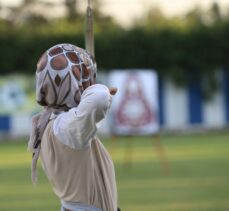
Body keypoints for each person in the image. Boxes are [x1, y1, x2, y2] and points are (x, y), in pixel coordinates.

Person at [28, 43, 119, 211]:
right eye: (80, 77)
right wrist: (99, 88)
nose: (85, 82)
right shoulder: (66, 127)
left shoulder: (53, 121)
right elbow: (99, 98)